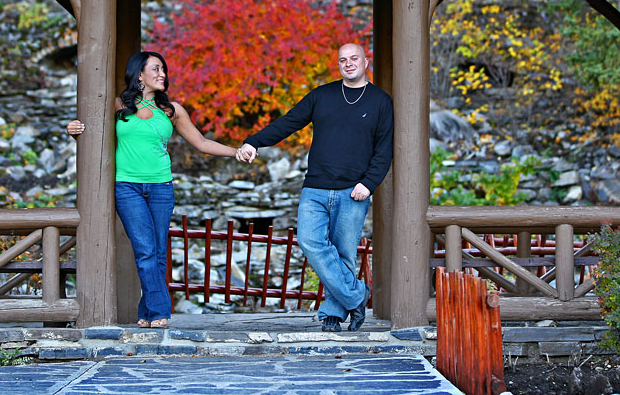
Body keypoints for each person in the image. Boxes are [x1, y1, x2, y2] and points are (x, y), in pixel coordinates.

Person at [67, 51, 245, 329]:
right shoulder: (117, 105)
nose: (163, 74)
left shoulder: (172, 110)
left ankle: (146, 312)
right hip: (128, 187)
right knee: (146, 250)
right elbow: (91, 129)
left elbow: (200, 142)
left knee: (158, 252)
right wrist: (74, 128)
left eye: (164, 69)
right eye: (156, 69)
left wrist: (236, 152)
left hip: (162, 188)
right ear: (139, 74)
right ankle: (161, 311)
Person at [237, 43, 393, 332]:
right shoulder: (322, 95)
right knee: (310, 241)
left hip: (353, 191)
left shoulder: (381, 102)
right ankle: (357, 296)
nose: (348, 64)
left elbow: (384, 151)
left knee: (344, 252)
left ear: (365, 61)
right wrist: (254, 140)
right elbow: (289, 123)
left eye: (354, 58)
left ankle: (334, 313)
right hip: (316, 188)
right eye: (342, 60)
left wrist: (369, 184)